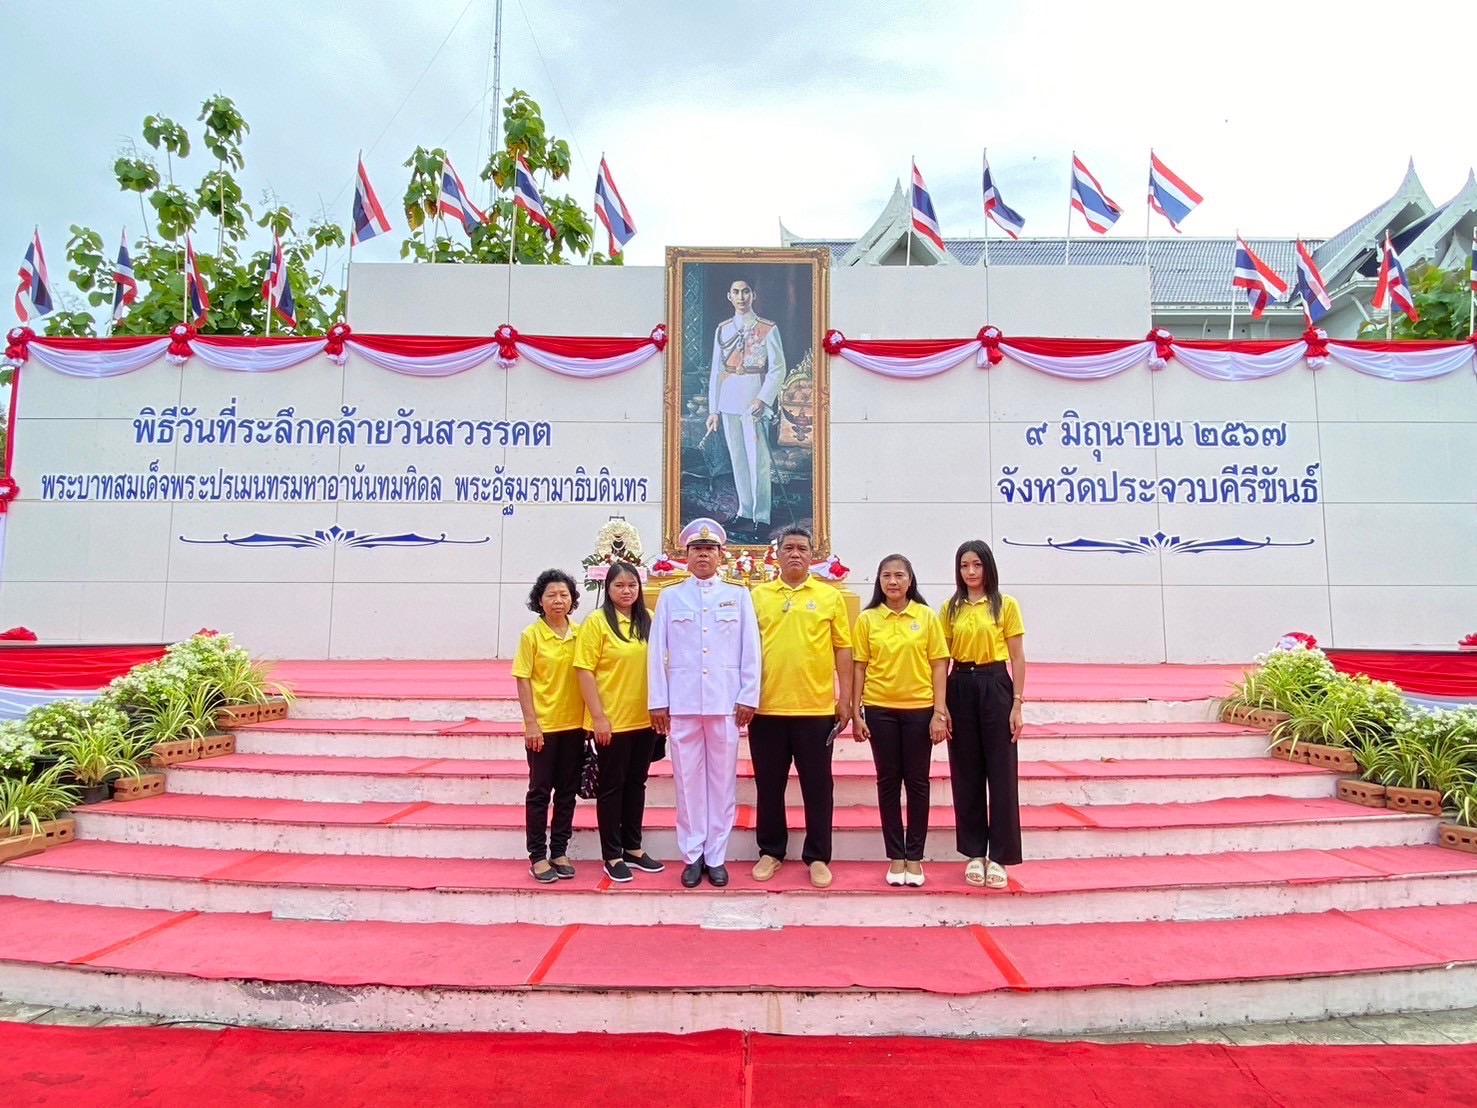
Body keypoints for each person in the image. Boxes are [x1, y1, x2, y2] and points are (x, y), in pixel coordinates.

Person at [649, 518, 761, 889]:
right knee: (687, 781)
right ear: (686, 555)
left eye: (709, 549)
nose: (703, 555)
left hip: (725, 703)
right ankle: (692, 854)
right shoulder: (671, 596)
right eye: (696, 549)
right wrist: (658, 702)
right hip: (682, 703)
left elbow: (750, 650)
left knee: (721, 782)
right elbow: (656, 653)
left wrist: (748, 695)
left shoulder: (738, 595)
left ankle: (716, 855)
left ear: (720, 555)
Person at [749, 527, 852, 889]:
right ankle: (771, 850)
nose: (795, 553)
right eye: (788, 548)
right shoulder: (757, 596)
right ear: (776, 554)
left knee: (818, 786)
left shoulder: (828, 597)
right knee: (769, 785)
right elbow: (744, 651)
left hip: (815, 709)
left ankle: (818, 855)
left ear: (812, 556)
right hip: (767, 710)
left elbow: (843, 648)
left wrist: (846, 699)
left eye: (802, 549)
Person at [852, 554, 950, 887]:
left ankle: (915, 857)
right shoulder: (867, 619)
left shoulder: (925, 617)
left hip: (920, 710)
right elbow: (859, 668)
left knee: (918, 783)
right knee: (888, 783)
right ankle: (896, 856)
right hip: (879, 710)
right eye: (886, 576)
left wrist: (940, 711)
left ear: (911, 580)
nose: (892, 582)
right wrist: (855, 711)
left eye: (899, 576)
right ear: (878, 582)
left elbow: (939, 664)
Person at [941, 540, 1026, 890]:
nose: (971, 572)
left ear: (987, 567)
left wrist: (1017, 702)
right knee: (966, 772)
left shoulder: (1005, 605)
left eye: (977, 565)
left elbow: (1017, 657)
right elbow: (940, 660)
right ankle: (975, 852)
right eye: (964, 566)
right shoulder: (949, 608)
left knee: (1002, 772)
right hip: (959, 684)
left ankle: (1001, 857)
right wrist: (940, 705)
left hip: (995, 685)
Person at [573, 561, 663, 884]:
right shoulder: (596, 623)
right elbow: (584, 670)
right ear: (607, 589)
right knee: (611, 788)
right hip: (611, 721)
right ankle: (612, 854)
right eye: (619, 586)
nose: (626, 592)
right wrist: (598, 717)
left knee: (637, 783)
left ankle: (633, 847)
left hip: (644, 720)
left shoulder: (648, 620)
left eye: (632, 586)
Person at [512, 569, 585, 884]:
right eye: (552, 595)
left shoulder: (581, 633)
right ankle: (538, 856)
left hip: (575, 726)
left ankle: (560, 851)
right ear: (539, 601)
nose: (559, 600)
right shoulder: (532, 635)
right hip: (543, 727)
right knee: (540, 792)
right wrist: (531, 723)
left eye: (564, 594)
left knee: (568, 792)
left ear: (573, 600)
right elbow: (523, 678)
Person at [704, 277, 785, 535]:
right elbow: (717, 370)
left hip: (754, 398)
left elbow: (777, 369)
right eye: (736, 292)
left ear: (754, 295)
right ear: (729, 296)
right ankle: (744, 510)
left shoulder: (767, 329)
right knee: (738, 458)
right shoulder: (723, 330)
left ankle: (762, 515)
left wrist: (763, 398)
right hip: (729, 398)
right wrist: (713, 410)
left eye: (746, 292)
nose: (741, 297)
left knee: (757, 460)